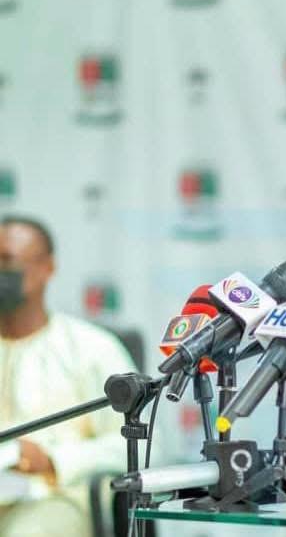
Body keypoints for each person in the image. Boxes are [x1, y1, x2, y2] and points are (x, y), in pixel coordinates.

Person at [0, 215, 136, 537]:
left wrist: (53, 459)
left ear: (47, 268)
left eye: (7, 261)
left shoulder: (91, 348)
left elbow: (140, 445)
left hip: (57, 497)